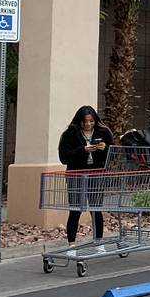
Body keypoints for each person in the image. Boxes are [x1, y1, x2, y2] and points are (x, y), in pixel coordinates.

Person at [56, 105, 113, 252]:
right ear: (79, 121)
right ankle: (72, 245)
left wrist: (104, 148)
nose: (88, 124)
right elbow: (64, 157)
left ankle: (99, 242)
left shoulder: (103, 132)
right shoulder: (70, 134)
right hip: (76, 174)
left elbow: (112, 155)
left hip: (96, 174)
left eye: (91, 121)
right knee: (75, 209)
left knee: (96, 209)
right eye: (84, 122)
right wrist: (82, 150)